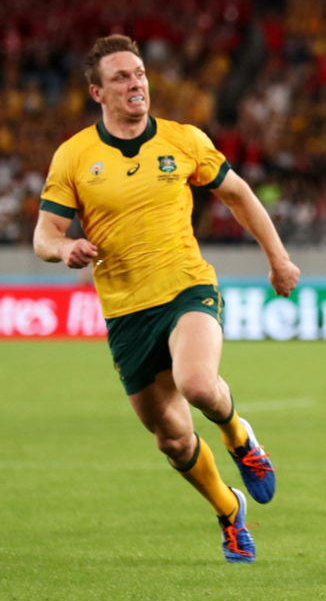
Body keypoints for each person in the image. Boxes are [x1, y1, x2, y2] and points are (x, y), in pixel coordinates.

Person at [33, 35, 300, 563]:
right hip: (126, 312)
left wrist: (279, 258)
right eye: (121, 77)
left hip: (186, 287)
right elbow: (44, 235)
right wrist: (65, 247)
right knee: (172, 439)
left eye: (139, 74)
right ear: (97, 92)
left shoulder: (183, 140)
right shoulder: (74, 156)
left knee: (198, 385)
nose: (136, 84)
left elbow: (239, 194)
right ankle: (229, 510)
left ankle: (237, 435)